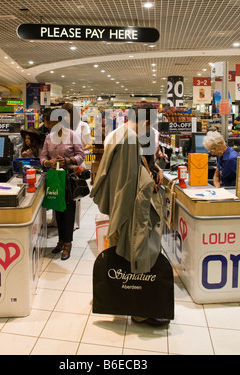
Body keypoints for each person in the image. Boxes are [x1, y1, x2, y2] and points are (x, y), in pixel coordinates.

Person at [91, 104, 168, 326]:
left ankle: (125, 303)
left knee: (121, 256)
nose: (150, 129)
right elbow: (129, 185)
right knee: (131, 257)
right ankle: (137, 311)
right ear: (145, 122)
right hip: (127, 213)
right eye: (150, 125)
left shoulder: (119, 134)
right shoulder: (131, 140)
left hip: (118, 208)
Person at [40, 107, 85, 260]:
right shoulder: (49, 138)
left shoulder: (73, 136)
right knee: (57, 210)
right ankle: (60, 240)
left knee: (68, 211)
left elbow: (81, 155)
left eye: (51, 121)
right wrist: (48, 162)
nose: (48, 124)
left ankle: (68, 243)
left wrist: (67, 160)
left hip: (69, 179)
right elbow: (43, 157)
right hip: (54, 178)